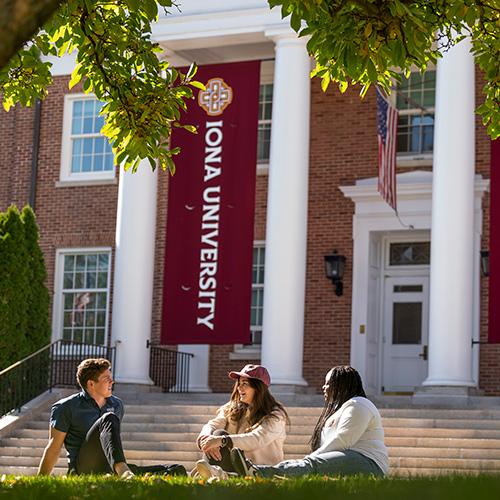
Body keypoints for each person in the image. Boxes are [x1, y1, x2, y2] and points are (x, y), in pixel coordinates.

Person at [230, 365, 389, 478]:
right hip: (347, 461)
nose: (324, 387)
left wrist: (311, 460)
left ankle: (259, 472)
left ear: (341, 384)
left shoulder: (358, 404)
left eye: (328, 383)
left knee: (312, 465)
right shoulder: (339, 410)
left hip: (369, 464)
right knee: (311, 467)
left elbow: (343, 440)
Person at [38, 358, 186, 477]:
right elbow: (53, 448)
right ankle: (123, 470)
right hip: (83, 468)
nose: (112, 382)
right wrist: (41, 482)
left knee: (176, 469)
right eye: (106, 379)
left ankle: (133, 476)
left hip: (108, 467)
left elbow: (110, 441)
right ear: (91, 384)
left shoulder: (117, 404)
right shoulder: (66, 407)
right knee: (108, 418)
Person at [195, 364, 289, 479]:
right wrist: (205, 438)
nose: (239, 388)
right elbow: (213, 424)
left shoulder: (275, 415)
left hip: (259, 472)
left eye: (245, 384)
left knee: (219, 438)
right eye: (239, 384)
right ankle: (215, 475)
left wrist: (223, 441)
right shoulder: (232, 408)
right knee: (217, 434)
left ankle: (213, 475)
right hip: (234, 467)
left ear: (258, 388)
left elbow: (256, 438)